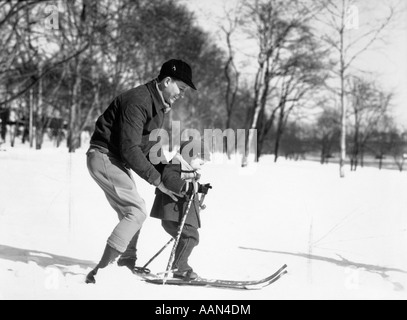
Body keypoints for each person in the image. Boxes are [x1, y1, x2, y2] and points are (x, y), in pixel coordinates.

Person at [85, 59, 197, 284]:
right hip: (104, 155)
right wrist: (158, 180)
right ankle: (102, 271)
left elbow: (149, 150)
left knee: (131, 210)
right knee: (136, 211)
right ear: (167, 81)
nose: (182, 95)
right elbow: (130, 149)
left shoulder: (158, 106)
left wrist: (171, 176)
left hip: (115, 159)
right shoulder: (138, 101)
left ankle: (125, 262)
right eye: (181, 88)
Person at [150, 139, 212, 280]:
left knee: (188, 238)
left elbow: (188, 186)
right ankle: (180, 268)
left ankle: (179, 267)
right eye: (201, 160)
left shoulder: (187, 168)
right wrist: (190, 187)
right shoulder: (175, 165)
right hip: (172, 214)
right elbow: (170, 180)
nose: (202, 165)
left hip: (177, 214)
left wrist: (199, 188)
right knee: (190, 237)